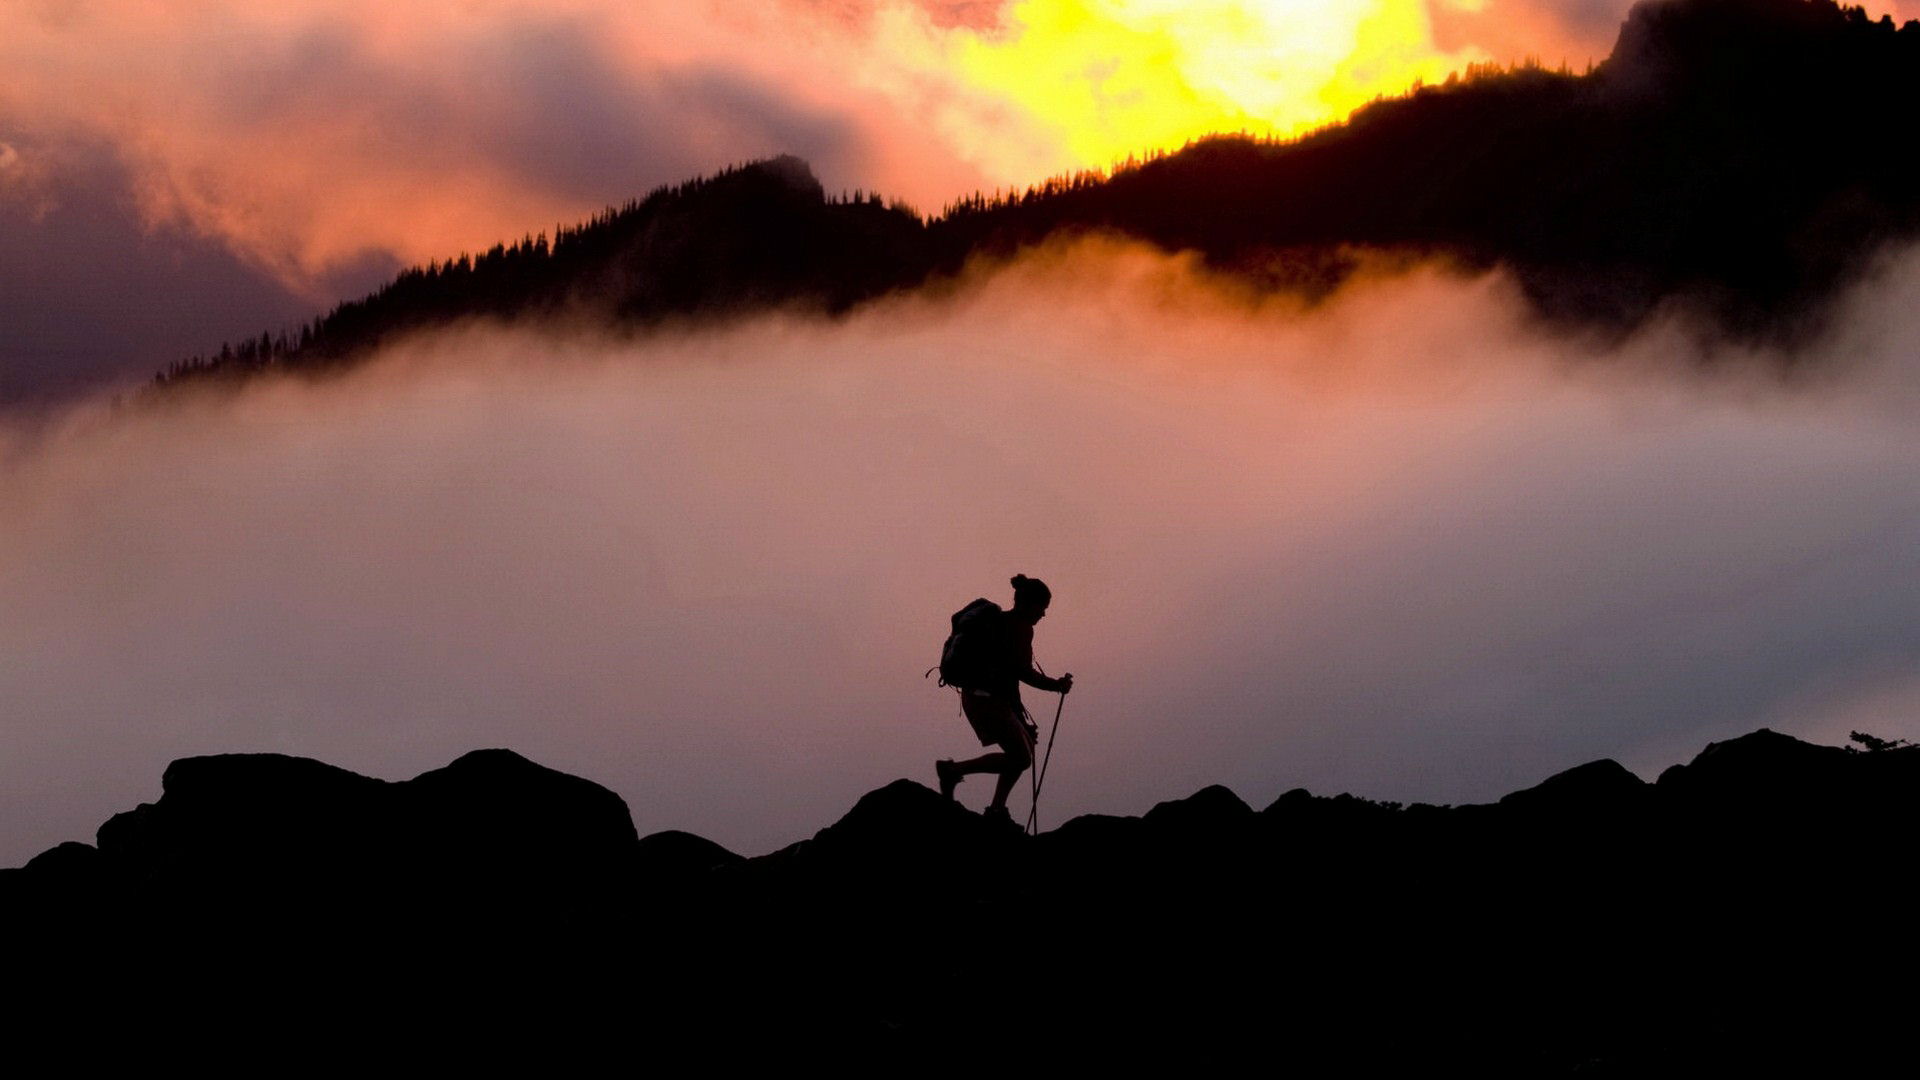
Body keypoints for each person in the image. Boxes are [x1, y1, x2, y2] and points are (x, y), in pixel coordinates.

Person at [935, 574, 1073, 824]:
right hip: (986, 699)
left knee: (1023, 749)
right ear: (1029, 604)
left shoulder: (1003, 623)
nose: (1043, 614)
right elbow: (1022, 673)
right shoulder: (1019, 628)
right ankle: (953, 771)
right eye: (1042, 608)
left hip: (981, 696)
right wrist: (1057, 685)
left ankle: (996, 807)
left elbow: (1009, 677)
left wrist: (1020, 720)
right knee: (1020, 757)